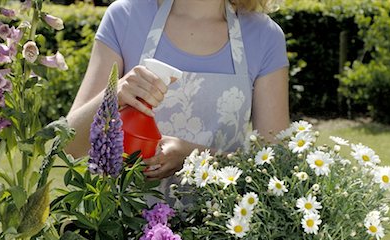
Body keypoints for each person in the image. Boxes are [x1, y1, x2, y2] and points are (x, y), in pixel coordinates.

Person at [66, 0, 289, 183]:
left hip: (220, 228)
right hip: (121, 228)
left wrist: (195, 159)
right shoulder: (125, 17)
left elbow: (275, 168)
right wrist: (114, 95)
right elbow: (69, 146)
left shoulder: (264, 36)